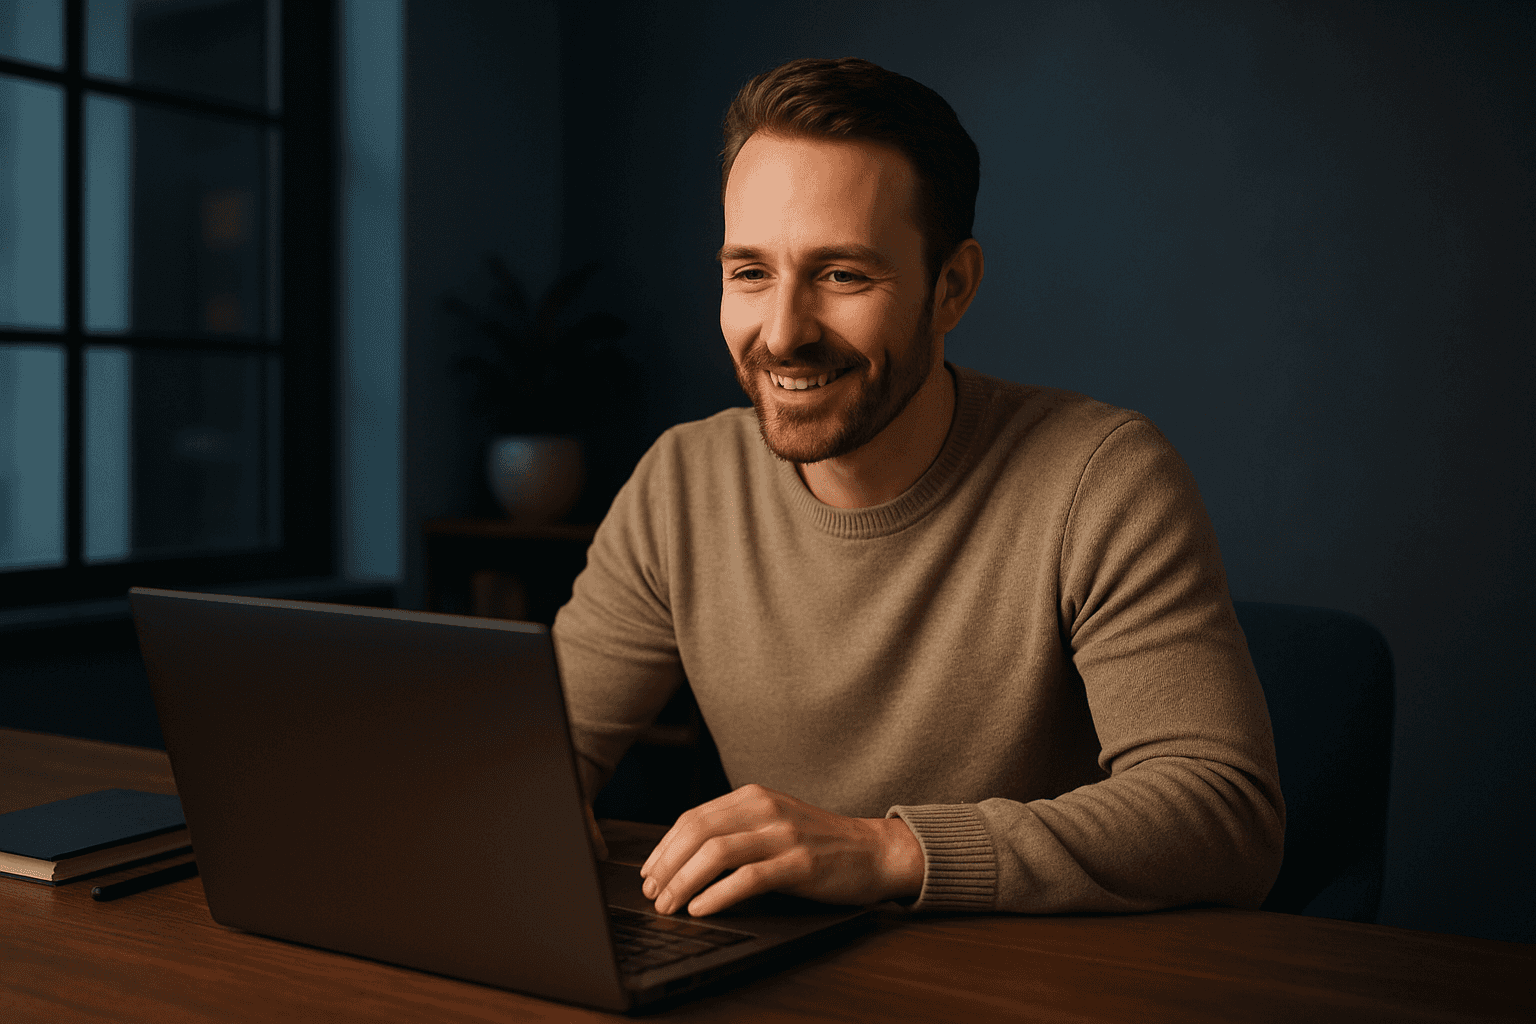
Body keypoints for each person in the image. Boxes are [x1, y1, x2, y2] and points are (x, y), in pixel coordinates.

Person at [552, 57, 1284, 918]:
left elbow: (1226, 815)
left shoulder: (1103, 479)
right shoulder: (682, 481)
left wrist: (887, 850)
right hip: (785, 979)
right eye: (750, 272)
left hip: (1035, 988)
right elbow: (529, 760)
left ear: (953, 288)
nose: (782, 333)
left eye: (843, 275)